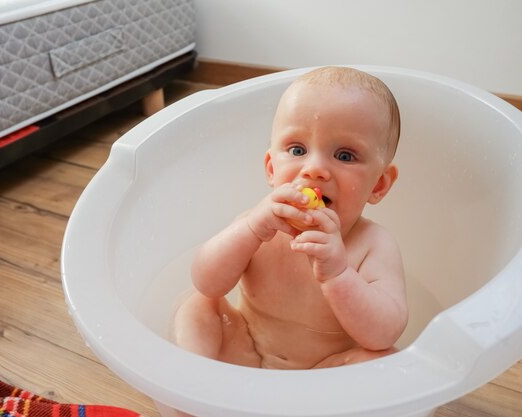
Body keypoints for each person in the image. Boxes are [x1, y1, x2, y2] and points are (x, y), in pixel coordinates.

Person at [173, 66, 407, 369]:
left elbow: (383, 334)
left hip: (328, 372)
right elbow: (207, 282)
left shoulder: (373, 245)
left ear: (378, 184)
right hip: (246, 349)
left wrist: (338, 274)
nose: (313, 169)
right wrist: (251, 228)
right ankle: (197, 390)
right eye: (297, 149)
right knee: (196, 306)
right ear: (272, 169)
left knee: (388, 362)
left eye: (344, 156)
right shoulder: (257, 226)